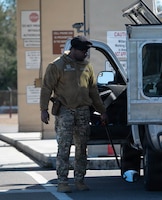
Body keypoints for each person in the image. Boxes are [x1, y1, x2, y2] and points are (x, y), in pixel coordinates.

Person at [40, 35, 108, 193]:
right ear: (74, 49)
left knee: (82, 147)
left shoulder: (87, 66)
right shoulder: (57, 65)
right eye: (83, 50)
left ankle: (80, 180)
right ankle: (62, 181)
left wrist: (102, 111)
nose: (85, 53)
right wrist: (43, 110)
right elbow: (46, 88)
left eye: (87, 51)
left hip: (83, 111)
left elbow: (93, 91)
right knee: (64, 147)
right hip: (65, 111)